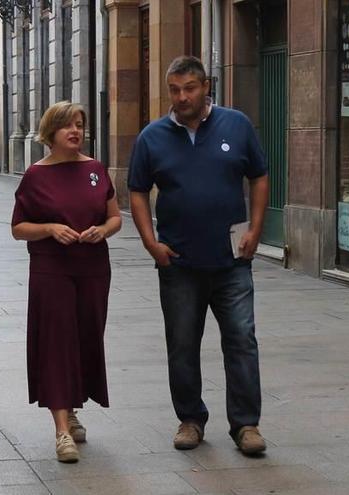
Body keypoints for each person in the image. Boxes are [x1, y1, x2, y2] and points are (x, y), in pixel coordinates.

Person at [128, 55, 269, 455]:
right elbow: (137, 189)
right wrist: (149, 241)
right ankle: (190, 419)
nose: (182, 96)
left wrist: (256, 228)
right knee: (183, 343)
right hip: (179, 262)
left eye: (189, 88)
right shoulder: (152, 137)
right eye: (174, 90)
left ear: (206, 86)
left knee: (242, 340)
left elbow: (258, 175)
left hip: (233, 258)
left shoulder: (236, 125)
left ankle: (246, 425)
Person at [11, 101, 121, 463]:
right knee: (57, 343)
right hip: (51, 270)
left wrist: (102, 230)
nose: (75, 131)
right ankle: (61, 431)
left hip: (92, 268)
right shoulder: (35, 175)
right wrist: (49, 229)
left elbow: (115, 217)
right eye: (67, 126)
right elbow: (18, 228)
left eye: (79, 124)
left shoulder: (95, 169)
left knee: (86, 338)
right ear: (50, 132)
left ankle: (72, 409)